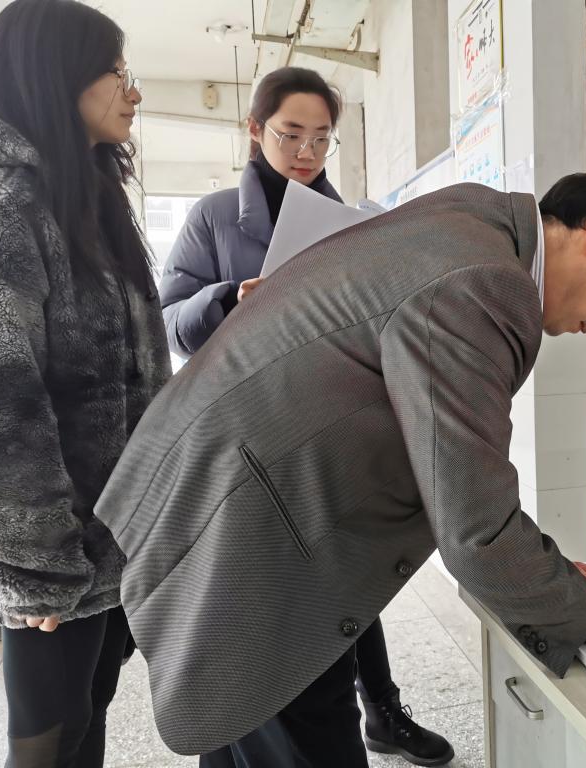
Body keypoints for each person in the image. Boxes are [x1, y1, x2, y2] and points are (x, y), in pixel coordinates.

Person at [95, 169, 586, 766]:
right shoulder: (486, 280)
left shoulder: (472, 218)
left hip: (233, 494)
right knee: (300, 736)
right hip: (256, 541)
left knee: (250, 739)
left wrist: (545, 572)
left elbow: (453, 471)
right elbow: (475, 525)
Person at [156, 66, 452, 766]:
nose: (307, 153)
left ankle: (382, 709)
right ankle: (275, 728)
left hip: (336, 427)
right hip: (250, 438)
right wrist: (230, 300)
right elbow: (169, 322)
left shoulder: (353, 223)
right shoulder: (213, 219)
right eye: (291, 134)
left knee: (349, 580)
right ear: (255, 130)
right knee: (273, 609)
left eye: (322, 139)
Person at [0, 1, 171, 765]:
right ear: (57, 76)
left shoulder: (85, 199)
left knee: (87, 719)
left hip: (103, 543)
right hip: (51, 554)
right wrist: (29, 566)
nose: (133, 91)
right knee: (47, 745)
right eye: (116, 73)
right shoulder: (2, 203)